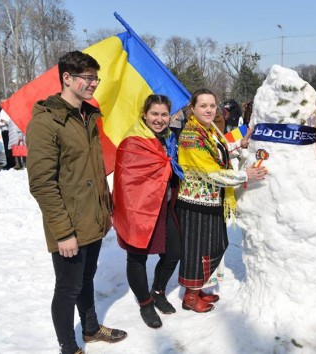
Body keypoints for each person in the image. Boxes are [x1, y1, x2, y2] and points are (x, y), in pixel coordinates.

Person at [26, 51, 127, 354]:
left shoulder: (88, 115)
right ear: (66, 78)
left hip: (92, 217)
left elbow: (94, 170)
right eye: (86, 76)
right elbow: (42, 183)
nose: (93, 82)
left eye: (95, 77)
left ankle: (92, 328)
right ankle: (69, 347)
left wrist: (105, 209)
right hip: (68, 224)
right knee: (68, 288)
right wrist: (63, 232)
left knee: (87, 278)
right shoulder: (46, 122)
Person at [175, 88, 266, 313]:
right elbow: (212, 172)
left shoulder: (208, 130)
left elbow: (219, 152)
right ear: (192, 109)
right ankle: (190, 296)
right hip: (195, 204)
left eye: (212, 105)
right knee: (197, 251)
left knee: (214, 245)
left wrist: (240, 144)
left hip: (212, 200)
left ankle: (198, 288)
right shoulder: (191, 136)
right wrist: (246, 176)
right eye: (203, 106)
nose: (208, 110)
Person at [112, 94, 184, 329]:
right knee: (137, 257)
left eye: (164, 114)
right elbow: (126, 180)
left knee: (174, 251)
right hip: (139, 209)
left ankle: (158, 290)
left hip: (165, 206)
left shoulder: (170, 139)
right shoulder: (133, 141)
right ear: (145, 114)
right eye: (155, 113)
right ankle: (145, 303)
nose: (160, 119)